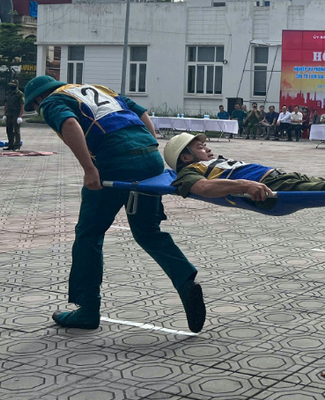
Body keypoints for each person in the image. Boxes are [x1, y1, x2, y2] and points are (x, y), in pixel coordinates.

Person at [22, 75, 205, 332]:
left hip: (114, 163)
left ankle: (87, 310)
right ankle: (185, 281)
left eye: (35, 106)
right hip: (149, 159)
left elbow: (70, 124)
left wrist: (89, 169)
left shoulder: (51, 101)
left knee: (89, 235)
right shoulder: (99, 89)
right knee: (148, 231)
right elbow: (142, 114)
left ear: (38, 99)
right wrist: (150, 151)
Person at [164, 133, 325, 203]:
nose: (207, 148)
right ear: (185, 157)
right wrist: (245, 185)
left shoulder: (209, 163)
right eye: (200, 147)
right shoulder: (189, 172)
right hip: (270, 185)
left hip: (281, 177)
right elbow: (203, 188)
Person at [3, 81, 24, 151]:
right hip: (9, 114)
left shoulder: (19, 94)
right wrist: (5, 114)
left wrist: (20, 116)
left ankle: (17, 146)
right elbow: (5, 104)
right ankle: (10, 145)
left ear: (16, 85)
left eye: (13, 85)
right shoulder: (8, 93)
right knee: (9, 130)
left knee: (16, 130)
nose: (11, 86)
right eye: (11, 85)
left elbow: (22, 105)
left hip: (16, 114)